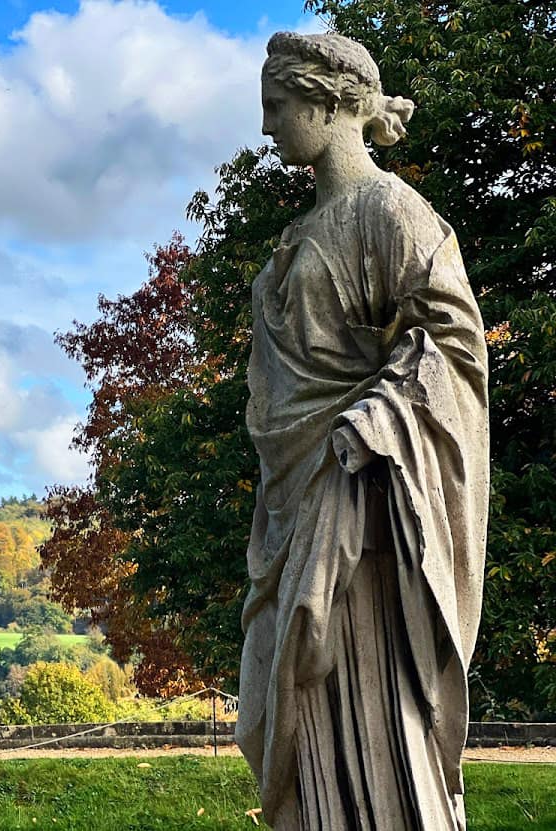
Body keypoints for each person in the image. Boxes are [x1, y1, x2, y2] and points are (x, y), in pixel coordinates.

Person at [237, 31, 489, 830]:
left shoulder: (392, 214)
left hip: (362, 516)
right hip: (292, 502)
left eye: (278, 108)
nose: (269, 128)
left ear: (328, 102)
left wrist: (378, 419)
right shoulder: (298, 235)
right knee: (274, 714)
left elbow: (454, 346)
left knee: (361, 715)